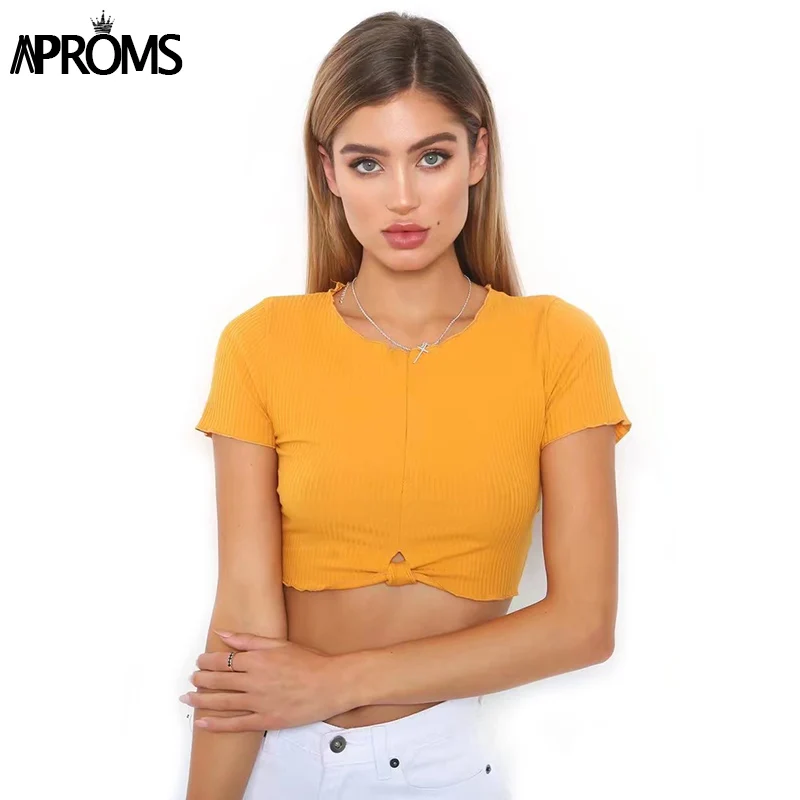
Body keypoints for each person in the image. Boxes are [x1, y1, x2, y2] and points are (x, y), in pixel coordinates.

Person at [184, 11, 632, 800]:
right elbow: (243, 623)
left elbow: (583, 626)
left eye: (431, 157)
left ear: (477, 155)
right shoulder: (261, 343)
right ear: (327, 170)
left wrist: (336, 680)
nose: (402, 198)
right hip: (282, 763)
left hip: (443, 767)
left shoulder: (556, 343)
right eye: (367, 163)